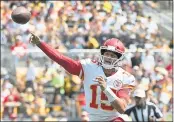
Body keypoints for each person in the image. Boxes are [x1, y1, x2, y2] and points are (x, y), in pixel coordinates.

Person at [29, 33, 136, 121]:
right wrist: (40, 44)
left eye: (112, 55)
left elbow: (122, 108)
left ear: (119, 58)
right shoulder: (89, 67)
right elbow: (62, 60)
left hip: (113, 119)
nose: (108, 57)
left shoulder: (125, 77)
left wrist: (106, 89)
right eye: (107, 54)